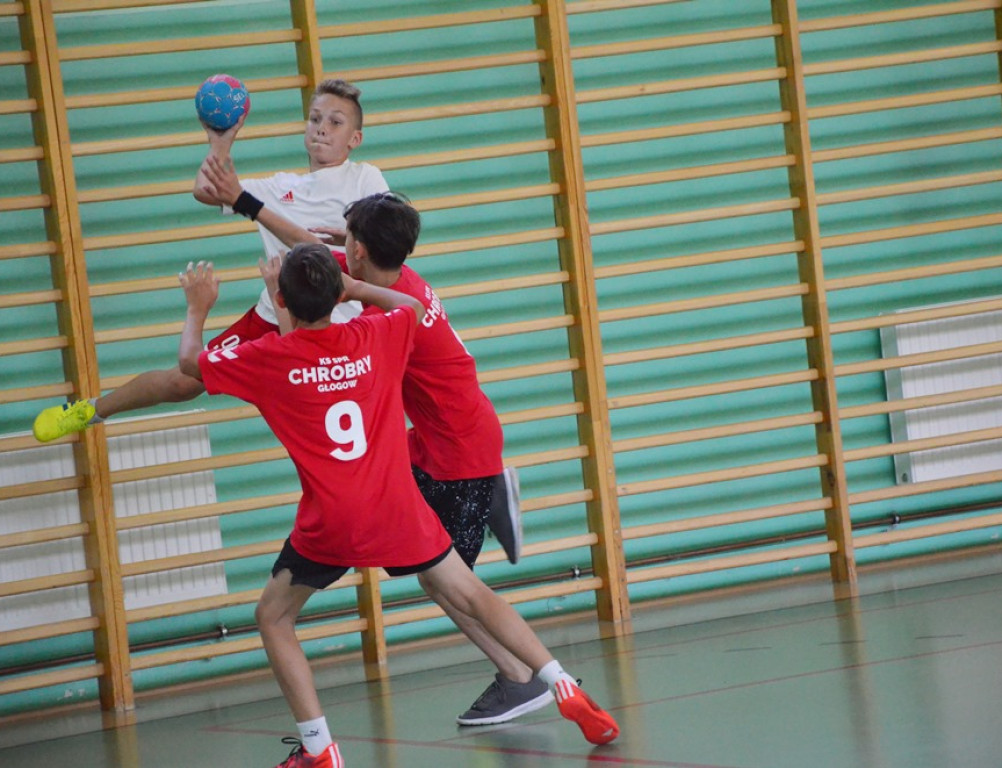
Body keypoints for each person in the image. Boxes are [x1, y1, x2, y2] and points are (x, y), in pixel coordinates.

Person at [177, 243, 620, 767]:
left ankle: (320, 749)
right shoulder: (376, 335)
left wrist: (198, 308)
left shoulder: (268, 359)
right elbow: (405, 307)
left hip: (332, 522)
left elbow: (189, 364)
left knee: (273, 618)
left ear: (281, 300)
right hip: (397, 510)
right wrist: (354, 287)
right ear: (338, 294)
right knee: (472, 593)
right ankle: (562, 682)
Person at [197, 174, 538, 726]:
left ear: (357, 250)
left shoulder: (387, 313)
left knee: (443, 578)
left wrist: (242, 199)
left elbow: (308, 263)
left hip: (455, 451)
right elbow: (309, 242)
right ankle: (494, 496)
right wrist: (266, 214)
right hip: (435, 440)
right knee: (375, 477)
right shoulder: (395, 282)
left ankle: (521, 676)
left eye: (346, 239)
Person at [30, 78, 385, 440]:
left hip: (341, 322)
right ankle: (91, 410)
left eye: (335, 122)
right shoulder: (278, 187)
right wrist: (220, 139)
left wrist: (249, 204)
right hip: (276, 310)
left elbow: (331, 253)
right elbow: (206, 190)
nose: (322, 128)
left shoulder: (364, 178)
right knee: (186, 380)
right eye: (315, 119)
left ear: (354, 139)